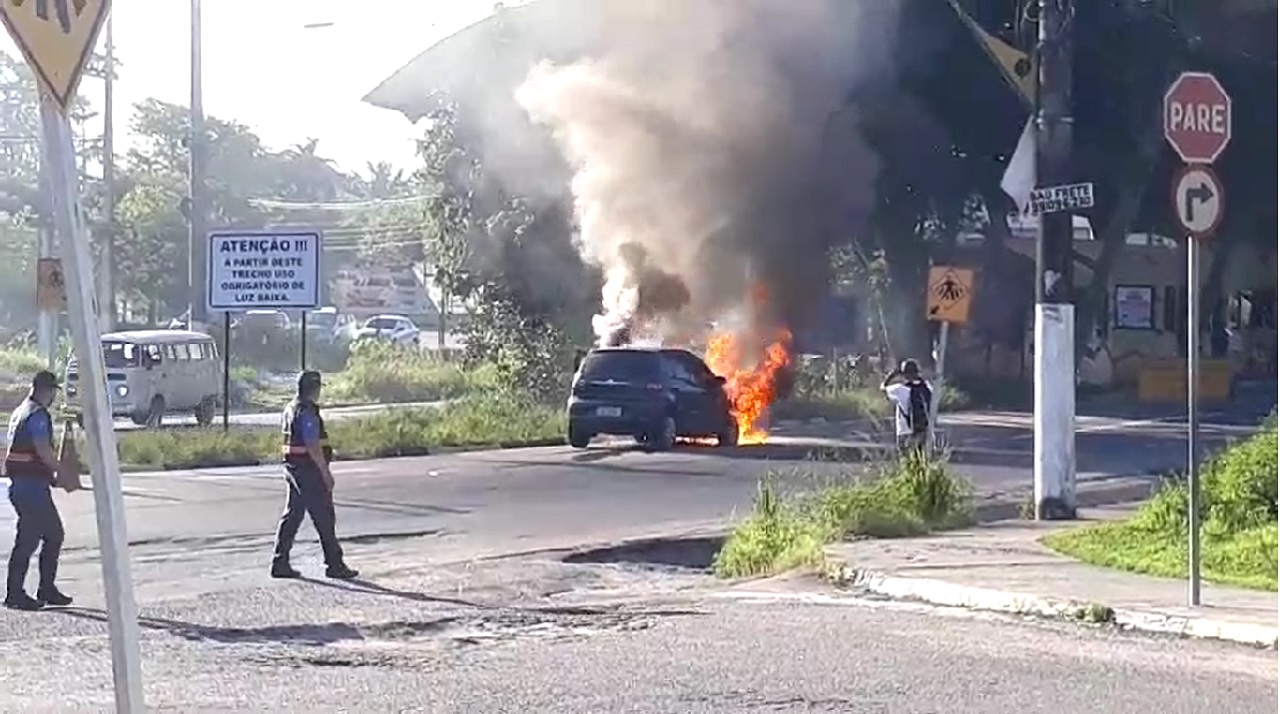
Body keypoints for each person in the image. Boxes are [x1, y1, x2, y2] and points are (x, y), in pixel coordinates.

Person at [271, 370, 357, 580]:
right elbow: (312, 445)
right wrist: (325, 473)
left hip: (293, 468)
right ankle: (334, 564)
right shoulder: (306, 411)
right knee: (324, 516)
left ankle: (280, 562)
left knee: (293, 515)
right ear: (314, 389)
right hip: (308, 469)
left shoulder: (291, 408)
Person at [4, 370, 72, 610]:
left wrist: (50, 476)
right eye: (53, 391)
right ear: (46, 390)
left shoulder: (21, 411)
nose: (53, 396)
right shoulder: (38, 414)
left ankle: (42, 589)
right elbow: (42, 450)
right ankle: (19, 593)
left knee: (42, 536)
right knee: (41, 537)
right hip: (31, 489)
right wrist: (63, 471)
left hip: (24, 486)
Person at [880, 359, 933, 456]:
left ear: (903, 374)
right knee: (921, 460)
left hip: (904, 431)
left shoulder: (899, 389)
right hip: (923, 430)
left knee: (905, 459)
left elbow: (883, 389)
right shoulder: (927, 388)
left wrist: (891, 376)